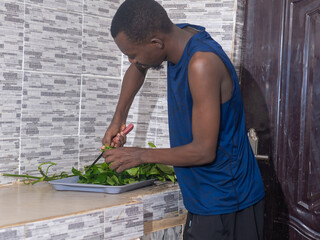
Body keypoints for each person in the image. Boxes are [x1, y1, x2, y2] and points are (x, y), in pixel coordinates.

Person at [101, 0, 265, 239]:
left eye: (132, 55)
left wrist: (140, 155)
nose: (132, 61)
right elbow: (139, 69)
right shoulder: (174, 36)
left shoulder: (201, 64)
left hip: (229, 202)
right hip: (205, 199)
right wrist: (118, 118)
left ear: (156, 43)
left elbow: (203, 152)